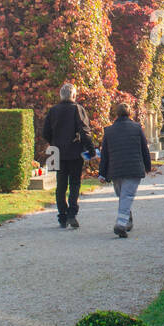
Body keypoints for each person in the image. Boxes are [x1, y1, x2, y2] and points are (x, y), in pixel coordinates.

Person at [42, 83, 95, 229]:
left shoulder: (53, 111)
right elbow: (85, 132)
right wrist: (90, 149)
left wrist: (54, 141)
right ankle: (72, 213)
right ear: (73, 95)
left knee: (60, 185)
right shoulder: (77, 109)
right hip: (74, 150)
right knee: (74, 183)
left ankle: (62, 215)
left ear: (61, 95)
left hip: (57, 151)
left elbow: (45, 132)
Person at [99, 101, 153, 238]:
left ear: (117, 114)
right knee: (126, 196)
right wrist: (148, 166)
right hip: (133, 168)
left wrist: (102, 173)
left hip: (115, 169)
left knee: (123, 195)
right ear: (130, 113)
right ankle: (124, 222)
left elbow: (105, 153)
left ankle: (123, 222)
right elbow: (144, 149)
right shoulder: (137, 128)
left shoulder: (109, 131)